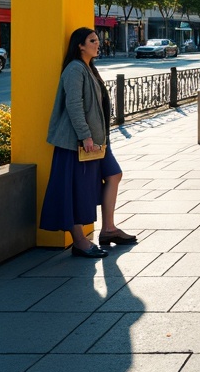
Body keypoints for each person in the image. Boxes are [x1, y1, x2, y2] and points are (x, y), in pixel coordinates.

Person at [39, 27, 137, 258]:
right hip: (77, 143)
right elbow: (74, 105)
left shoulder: (89, 68)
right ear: (80, 45)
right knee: (73, 190)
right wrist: (85, 135)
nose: (98, 43)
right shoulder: (74, 69)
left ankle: (109, 229)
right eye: (93, 40)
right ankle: (80, 242)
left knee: (114, 174)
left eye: (97, 40)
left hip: (97, 141)